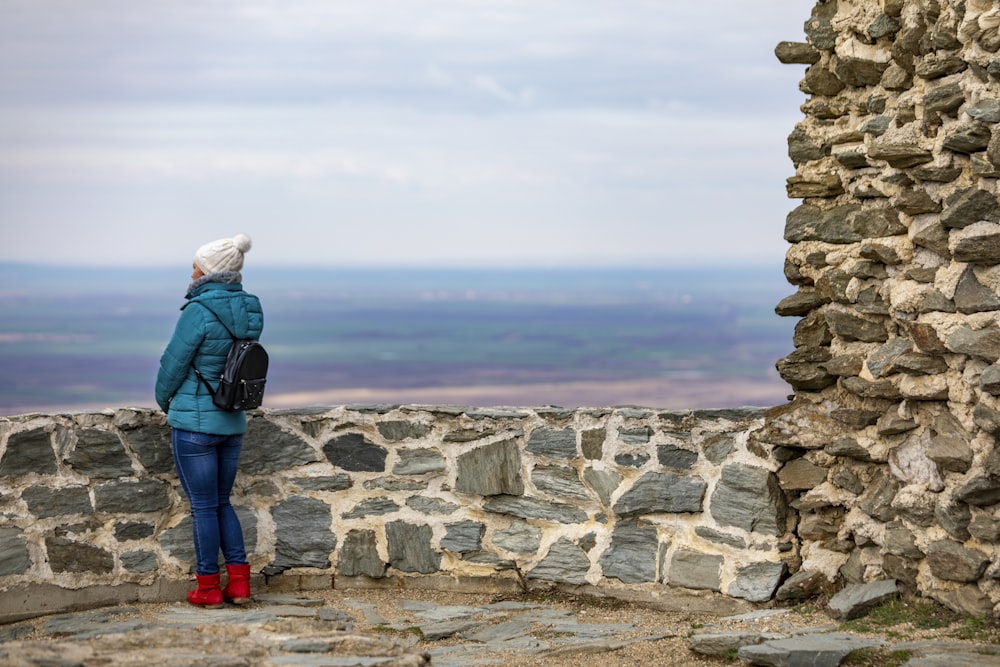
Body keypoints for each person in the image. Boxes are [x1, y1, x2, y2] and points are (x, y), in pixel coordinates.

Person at [155, 233, 264, 608]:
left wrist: (162, 400)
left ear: (209, 271)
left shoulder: (199, 311)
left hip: (194, 423)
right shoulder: (251, 309)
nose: (192, 270)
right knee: (222, 502)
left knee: (202, 506)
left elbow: (174, 362)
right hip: (233, 419)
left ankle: (207, 587)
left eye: (196, 264)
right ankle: (239, 583)